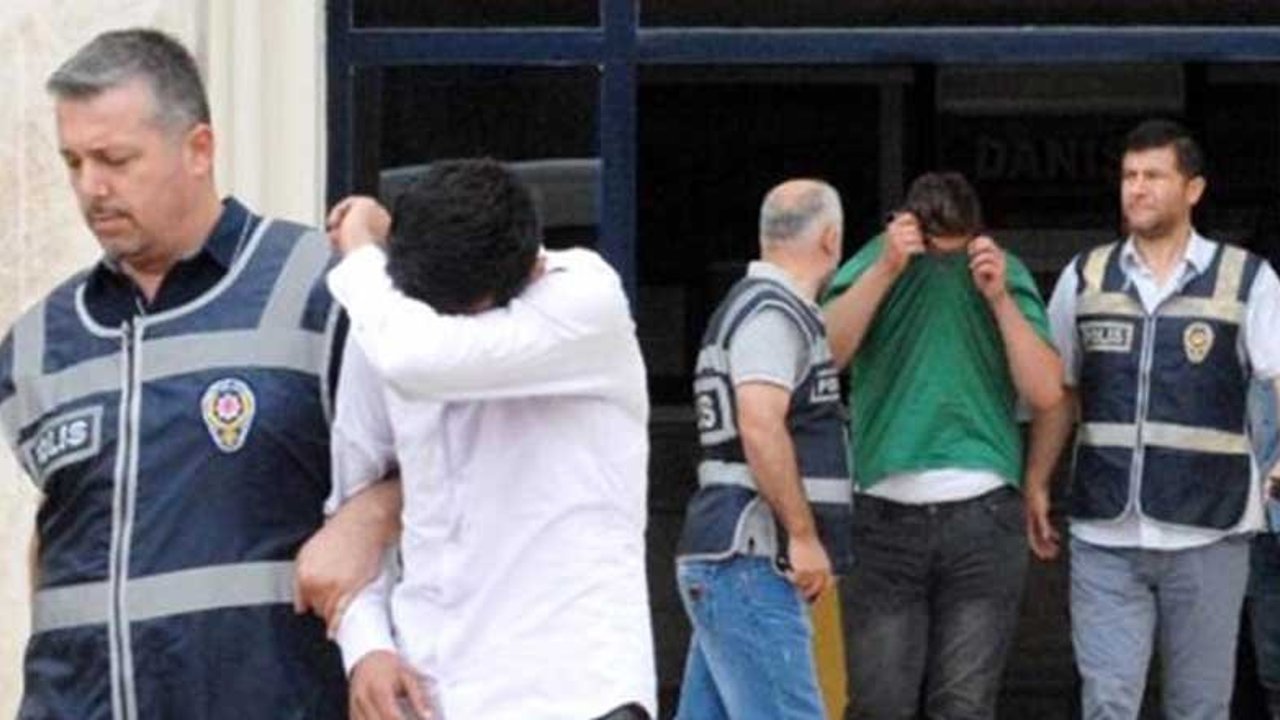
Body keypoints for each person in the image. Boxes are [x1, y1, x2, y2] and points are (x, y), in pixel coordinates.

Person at [0, 29, 347, 718]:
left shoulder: (321, 286)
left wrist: (373, 517)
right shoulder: (37, 342)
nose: (91, 188)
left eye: (115, 160)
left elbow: (444, 463)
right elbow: (55, 540)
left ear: (199, 149)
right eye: (73, 162)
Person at [304, 158, 656, 720]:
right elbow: (353, 498)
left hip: (579, 691)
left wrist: (360, 247)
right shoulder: (389, 322)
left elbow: (418, 357)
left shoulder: (584, 296)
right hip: (435, 689)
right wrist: (367, 646)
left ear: (530, 270)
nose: (450, 321)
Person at [1024, 118, 1280, 720]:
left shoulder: (1246, 279)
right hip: (1105, 529)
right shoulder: (1086, 276)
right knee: (1107, 703)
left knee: (1199, 707)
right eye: (1129, 176)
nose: (1137, 189)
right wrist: (1037, 479)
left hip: (1210, 528)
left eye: (1153, 176)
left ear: (1193, 189)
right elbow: (1059, 392)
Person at [823, 171, 1062, 719]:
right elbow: (824, 355)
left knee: (965, 705)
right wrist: (886, 266)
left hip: (983, 513)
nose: (945, 264)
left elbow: (1047, 391)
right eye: (935, 250)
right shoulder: (876, 260)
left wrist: (1000, 299)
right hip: (884, 514)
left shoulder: (1002, 271)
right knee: (880, 705)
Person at [673, 179, 852, 720]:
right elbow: (760, 424)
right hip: (752, 559)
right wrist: (803, 536)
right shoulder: (772, 313)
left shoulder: (753, 306)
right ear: (831, 239)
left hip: (729, 560)